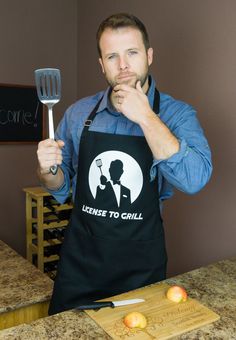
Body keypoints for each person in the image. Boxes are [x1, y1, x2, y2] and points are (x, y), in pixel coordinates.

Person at [37, 13, 212, 315]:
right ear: (101, 64)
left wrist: (145, 116)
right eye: (112, 56)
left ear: (149, 55)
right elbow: (59, 186)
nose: (123, 66)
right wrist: (47, 170)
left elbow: (195, 179)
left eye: (132, 53)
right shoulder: (79, 114)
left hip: (141, 271)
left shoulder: (177, 114)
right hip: (80, 268)